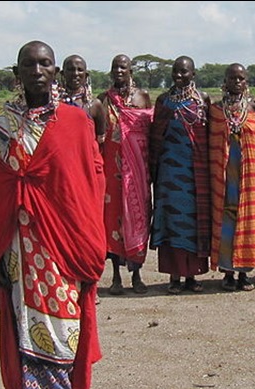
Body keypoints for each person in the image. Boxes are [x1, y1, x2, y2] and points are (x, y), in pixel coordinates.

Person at [0, 40, 107, 389]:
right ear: (16, 73)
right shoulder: (0, 123)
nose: (37, 70)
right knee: (25, 317)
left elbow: (88, 182)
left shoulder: (75, 120)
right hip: (20, 241)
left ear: (55, 71)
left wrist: (89, 237)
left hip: (64, 239)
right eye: (28, 64)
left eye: (44, 63)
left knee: (65, 317)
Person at [149, 55, 211, 294]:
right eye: (176, 71)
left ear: (193, 74)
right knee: (171, 222)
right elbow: (155, 137)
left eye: (184, 72)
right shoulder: (163, 101)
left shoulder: (202, 100)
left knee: (193, 224)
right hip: (168, 175)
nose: (179, 75)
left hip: (195, 173)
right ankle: (174, 277)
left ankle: (193, 277)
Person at [99, 53, 154, 295]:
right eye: (115, 67)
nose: (118, 71)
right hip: (111, 170)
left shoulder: (142, 97)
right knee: (112, 221)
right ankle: (116, 276)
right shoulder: (102, 100)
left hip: (138, 171)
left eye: (123, 67)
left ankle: (137, 274)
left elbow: (150, 134)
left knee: (138, 218)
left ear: (131, 70)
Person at [209, 63, 255, 291]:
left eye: (241, 78)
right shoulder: (216, 109)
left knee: (247, 219)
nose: (236, 82)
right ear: (225, 81)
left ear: (246, 82)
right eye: (232, 78)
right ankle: (227, 273)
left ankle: (244, 273)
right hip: (224, 172)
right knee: (225, 221)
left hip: (248, 174)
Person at [60, 54, 107, 144]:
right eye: (71, 69)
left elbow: (100, 138)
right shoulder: (53, 103)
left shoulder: (94, 105)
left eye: (80, 70)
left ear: (86, 76)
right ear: (63, 74)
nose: (75, 73)